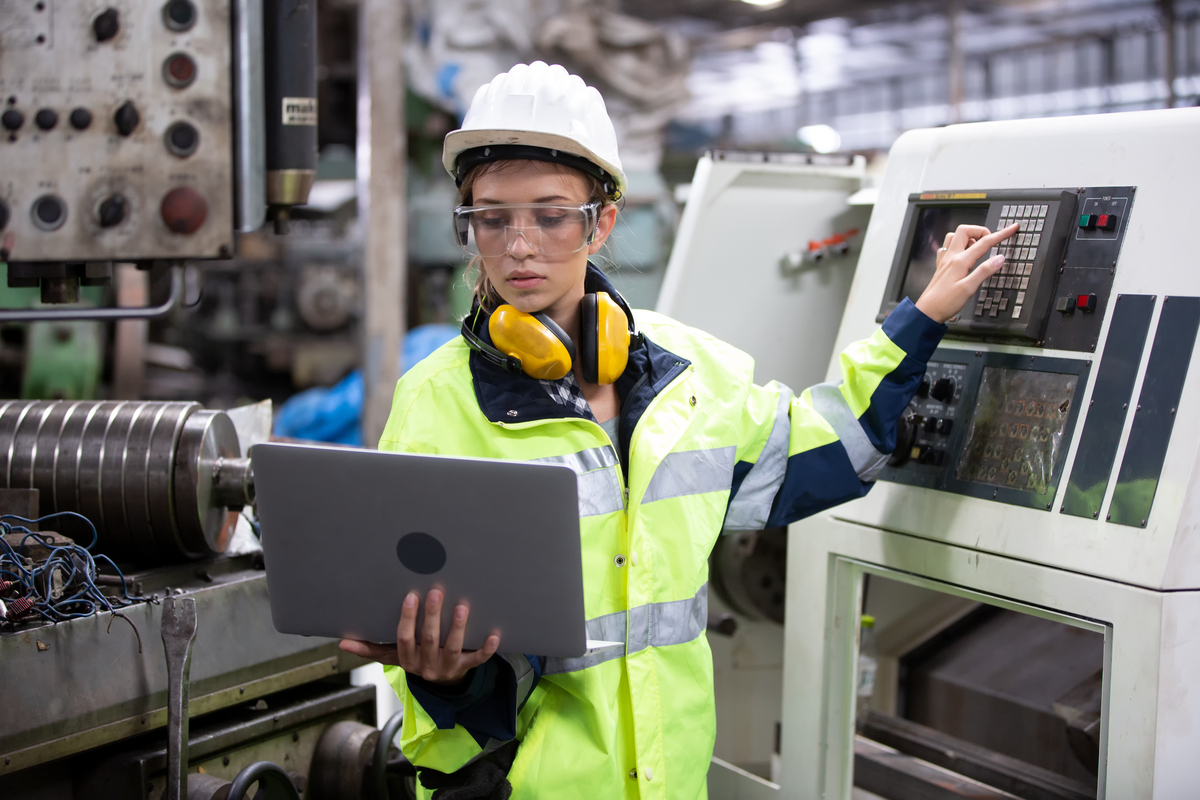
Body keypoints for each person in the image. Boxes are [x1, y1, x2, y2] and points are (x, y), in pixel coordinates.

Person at [339, 61, 1018, 799]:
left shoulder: (693, 378)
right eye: (492, 218)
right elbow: (414, 622)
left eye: (551, 214)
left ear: (602, 222)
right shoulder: (436, 401)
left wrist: (921, 319)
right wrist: (440, 676)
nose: (520, 245)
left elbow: (836, 449)